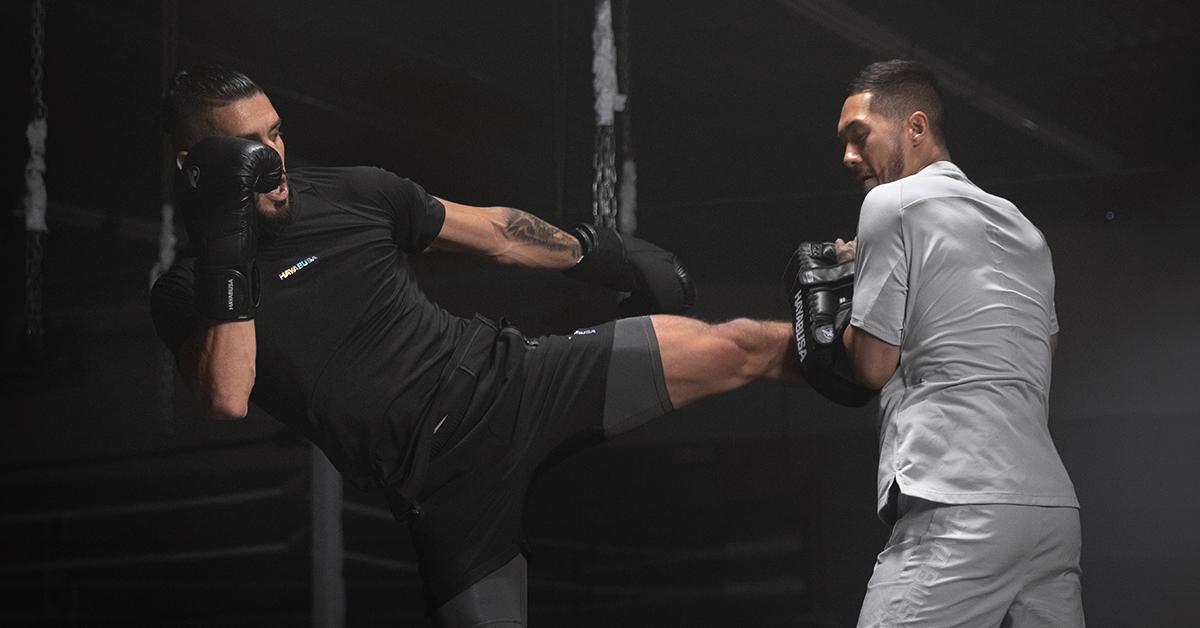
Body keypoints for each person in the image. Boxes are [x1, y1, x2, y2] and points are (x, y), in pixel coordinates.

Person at [151, 65, 800, 627]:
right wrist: (227, 240)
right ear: (193, 162)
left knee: (744, 344)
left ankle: (855, 343)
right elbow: (226, 395)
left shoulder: (351, 192)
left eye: (275, 133)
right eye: (249, 147)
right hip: (444, 492)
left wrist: (602, 255)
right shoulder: (185, 290)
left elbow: (496, 234)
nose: (272, 158)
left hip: (517, 382)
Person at [787, 59, 1083, 626]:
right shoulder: (1025, 229)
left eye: (859, 136)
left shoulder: (890, 205)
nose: (848, 156)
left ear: (915, 126)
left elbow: (872, 366)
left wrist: (846, 302)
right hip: (1050, 511)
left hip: (959, 501)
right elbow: (1036, 357)